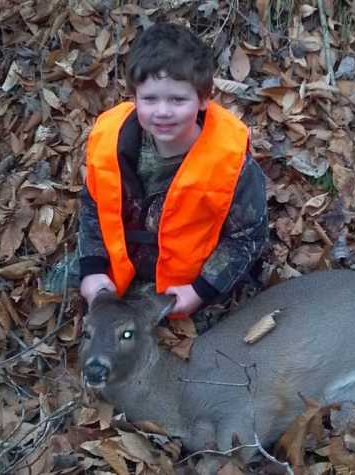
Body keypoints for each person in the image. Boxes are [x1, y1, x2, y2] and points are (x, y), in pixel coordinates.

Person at [77, 22, 268, 321]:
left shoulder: (233, 167)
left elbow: (247, 237)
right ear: (134, 97)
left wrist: (201, 290)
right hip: (119, 270)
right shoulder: (110, 145)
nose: (162, 112)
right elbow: (92, 208)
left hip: (188, 286)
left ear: (204, 99)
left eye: (178, 100)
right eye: (150, 99)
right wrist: (92, 268)